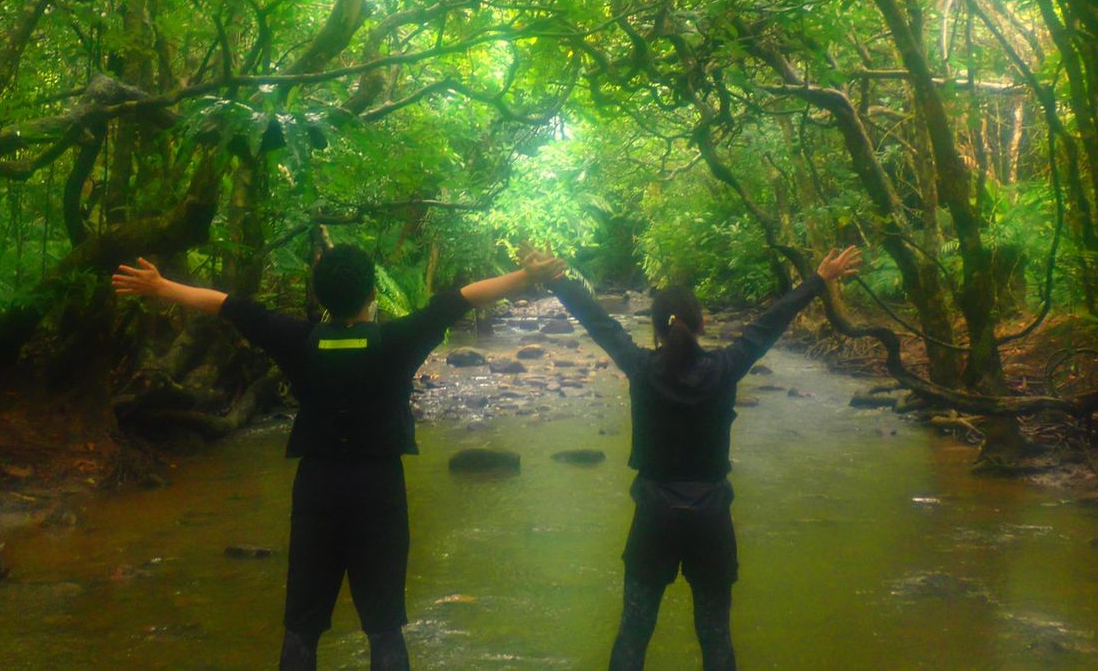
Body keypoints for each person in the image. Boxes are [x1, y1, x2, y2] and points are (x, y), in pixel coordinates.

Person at [112, 245, 564, 671]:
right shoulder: (398, 339)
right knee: (384, 625)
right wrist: (527, 276)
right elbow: (459, 300)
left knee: (302, 625)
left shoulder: (296, 339)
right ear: (372, 292)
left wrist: (161, 286)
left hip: (317, 488)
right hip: (379, 490)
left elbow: (231, 306)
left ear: (320, 295)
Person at [535, 246, 861, 671]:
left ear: (656, 329)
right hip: (710, 517)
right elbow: (768, 325)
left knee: (634, 632)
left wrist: (557, 280)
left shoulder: (641, 366)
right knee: (715, 635)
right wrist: (818, 279)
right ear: (703, 324)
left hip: (655, 515)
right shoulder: (725, 367)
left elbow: (600, 323)